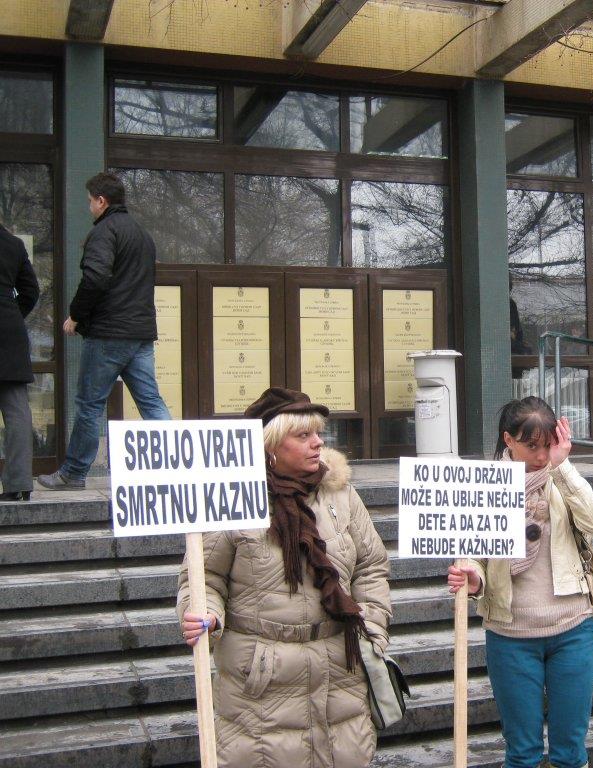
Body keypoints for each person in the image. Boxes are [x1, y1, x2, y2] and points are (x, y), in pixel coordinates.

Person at [177, 387, 391, 768]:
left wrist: (371, 632)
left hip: (340, 673)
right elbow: (204, 576)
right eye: (303, 435)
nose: (318, 442)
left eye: (318, 433)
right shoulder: (232, 497)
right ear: (271, 445)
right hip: (262, 683)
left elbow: (371, 566)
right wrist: (206, 614)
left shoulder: (340, 494)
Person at [447, 396, 593, 768]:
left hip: (573, 628)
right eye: (531, 445)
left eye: (547, 445)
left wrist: (562, 466)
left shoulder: (560, 478)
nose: (540, 455)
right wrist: (474, 578)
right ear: (509, 440)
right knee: (522, 753)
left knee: (571, 751)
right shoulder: (485, 486)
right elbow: (473, 553)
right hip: (510, 634)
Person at [39, 172, 170, 490]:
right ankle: (177, 466)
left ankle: (73, 473)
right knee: (151, 402)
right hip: (140, 334)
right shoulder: (142, 235)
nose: (89, 207)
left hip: (109, 333)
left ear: (102, 201)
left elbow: (95, 279)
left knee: (89, 404)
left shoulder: (103, 233)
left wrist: (76, 316)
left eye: (90, 201)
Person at [0, 223, 39, 502]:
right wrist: (13, 314)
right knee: (17, 412)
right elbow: (31, 291)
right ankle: (19, 484)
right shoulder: (14, 244)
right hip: (10, 331)